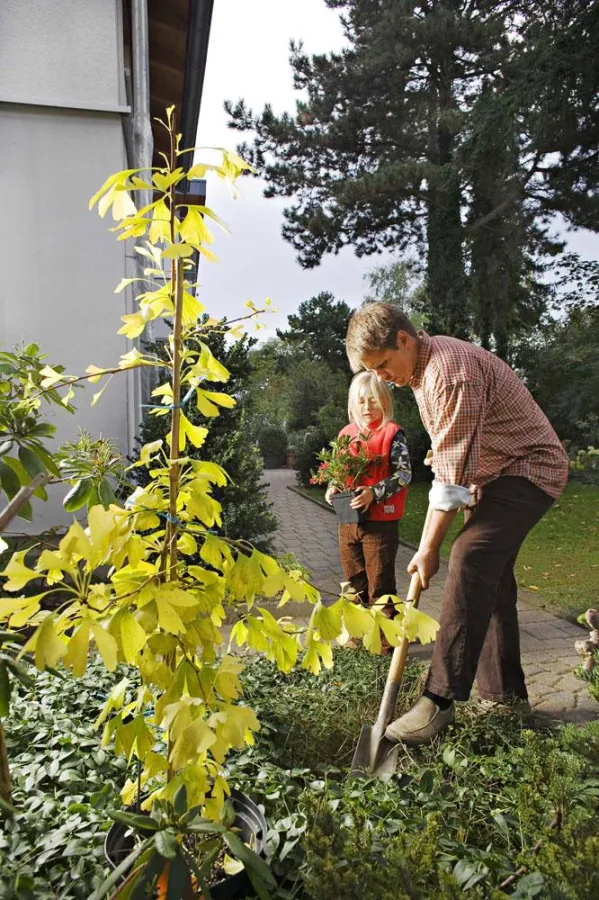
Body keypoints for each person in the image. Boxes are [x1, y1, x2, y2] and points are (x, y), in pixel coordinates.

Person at [345, 303, 569, 744]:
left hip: (529, 468)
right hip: (494, 473)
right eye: (373, 370)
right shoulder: (422, 373)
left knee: (469, 555)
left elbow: (449, 484)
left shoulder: (449, 371)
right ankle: (506, 698)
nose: (381, 376)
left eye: (383, 365)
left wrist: (427, 549)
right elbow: (455, 450)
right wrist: (445, 459)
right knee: (492, 579)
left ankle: (438, 700)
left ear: (404, 340)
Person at [326, 371, 411, 638]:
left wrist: (375, 492)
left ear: (385, 400)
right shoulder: (346, 434)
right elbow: (337, 471)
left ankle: (386, 640)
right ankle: (356, 632)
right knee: (354, 582)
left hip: (380, 524)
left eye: (374, 400)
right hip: (348, 520)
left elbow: (404, 474)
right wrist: (333, 487)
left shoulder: (392, 434)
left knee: (381, 584)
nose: (367, 407)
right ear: (353, 403)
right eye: (362, 401)